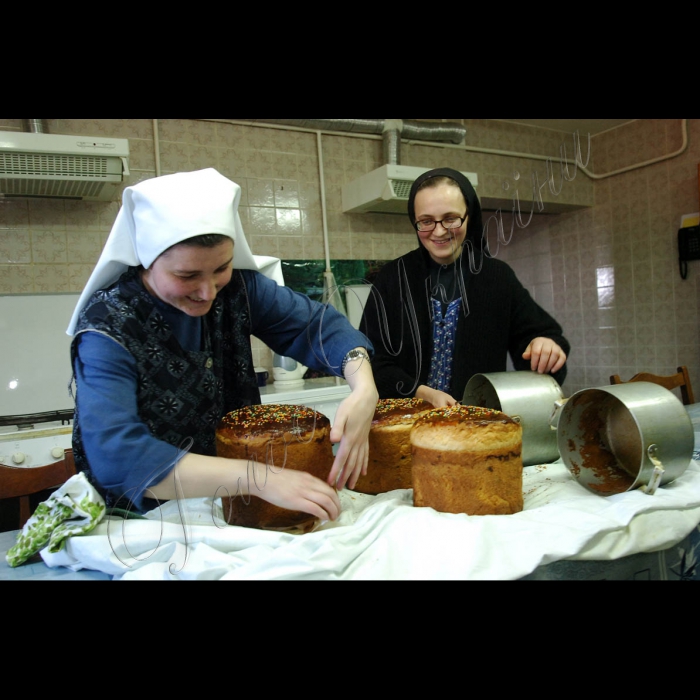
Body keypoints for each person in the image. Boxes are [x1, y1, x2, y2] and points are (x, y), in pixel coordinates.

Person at [66, 168, 378, 522]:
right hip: (139, 523)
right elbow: (117, 456)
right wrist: (256, 479)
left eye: (221, 269)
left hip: (232, 508)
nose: (208, 292)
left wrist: (364, 387)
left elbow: (316, 325)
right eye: (187, 276)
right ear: (147, 260)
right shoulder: (108, 325)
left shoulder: (240, 290)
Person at [360, 167, 569, 408]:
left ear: (469, 216)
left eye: (450, 218)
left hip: (478, 425)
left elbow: (539, 343)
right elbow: (368, 361)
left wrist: (546, 347)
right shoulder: (393, 278)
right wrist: (419, 392)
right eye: (426, 221)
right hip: (403, 425)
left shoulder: (497, 277)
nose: (439, 231)